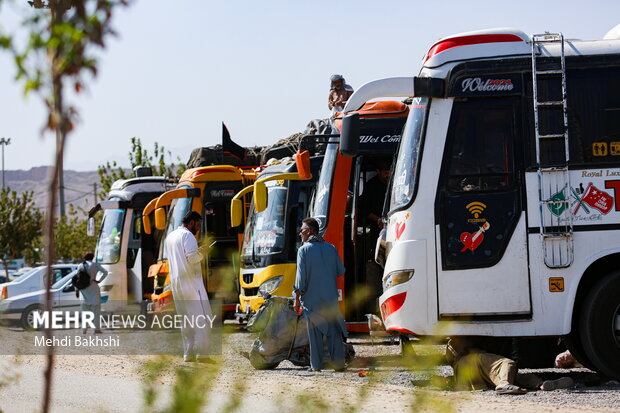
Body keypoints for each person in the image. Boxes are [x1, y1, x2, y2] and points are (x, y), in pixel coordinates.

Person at [293, 217, 347, 372]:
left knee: (315, 334)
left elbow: (300, 279)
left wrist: (296, 299)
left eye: (302, 230)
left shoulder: (303, 250)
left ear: (309, 231)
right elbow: (340, 271)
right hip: (330, 299)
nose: (300, 233)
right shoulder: (331, 248)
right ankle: (338, 364)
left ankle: (316, 366)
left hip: (312, 300)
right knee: (334, 333)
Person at [164, 210, 213, 362]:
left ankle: (188, 354)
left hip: (177, 286)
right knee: (203, 319)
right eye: (197, 225)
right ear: (191, 223)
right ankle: (203, 354)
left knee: (186, 321)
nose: (198, 229)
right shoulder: (188, 236)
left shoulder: (170, 237)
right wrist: (203, 252)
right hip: (191, 284)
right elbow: (192, 259)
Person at [446, 337, 574, 394]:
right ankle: (504, 385)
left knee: (515, 375)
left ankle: (541, 384)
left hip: (466, 366)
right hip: (470, 359)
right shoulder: (460, 340)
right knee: (507, 364)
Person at [76, 252, 108, 334]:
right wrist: (99, 280)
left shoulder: (80, 265)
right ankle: (96, 329)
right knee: (96, 312)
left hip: (83, 290)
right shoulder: (95, 265)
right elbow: (105, 272)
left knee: (85, 312)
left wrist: (76, 290)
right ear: (92, 257)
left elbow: (77, 279)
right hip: (94, 289)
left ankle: (84, 330)